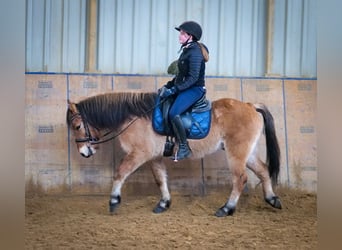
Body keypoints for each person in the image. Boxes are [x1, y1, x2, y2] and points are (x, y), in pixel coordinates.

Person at [159, 21, 209, 160]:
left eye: (182, 33)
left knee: (174, 112)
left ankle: (183, 147)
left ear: (190, 36)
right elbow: (181, 75)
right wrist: (168, 86)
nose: (179, 36)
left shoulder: (195, 53)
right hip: (186, 87)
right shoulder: (187, 49)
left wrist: (175, 89)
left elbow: (192, 78)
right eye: (180, 33)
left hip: (195, 89)